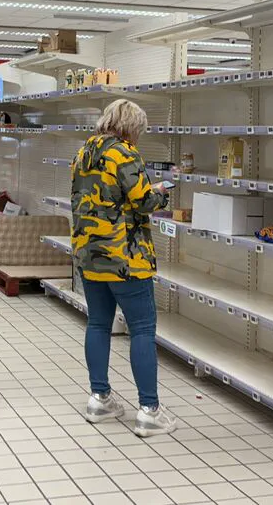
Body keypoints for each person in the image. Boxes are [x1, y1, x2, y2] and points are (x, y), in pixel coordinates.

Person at [70, 99, 178, 437]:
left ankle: (99, 398)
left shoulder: (84, 152)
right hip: (125, 257)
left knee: (98, 323)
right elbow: (143, 201)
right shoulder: (125, 154)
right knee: (142, 328)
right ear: (130, 128)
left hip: (89, 253)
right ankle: (149, 410)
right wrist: (162, 191)